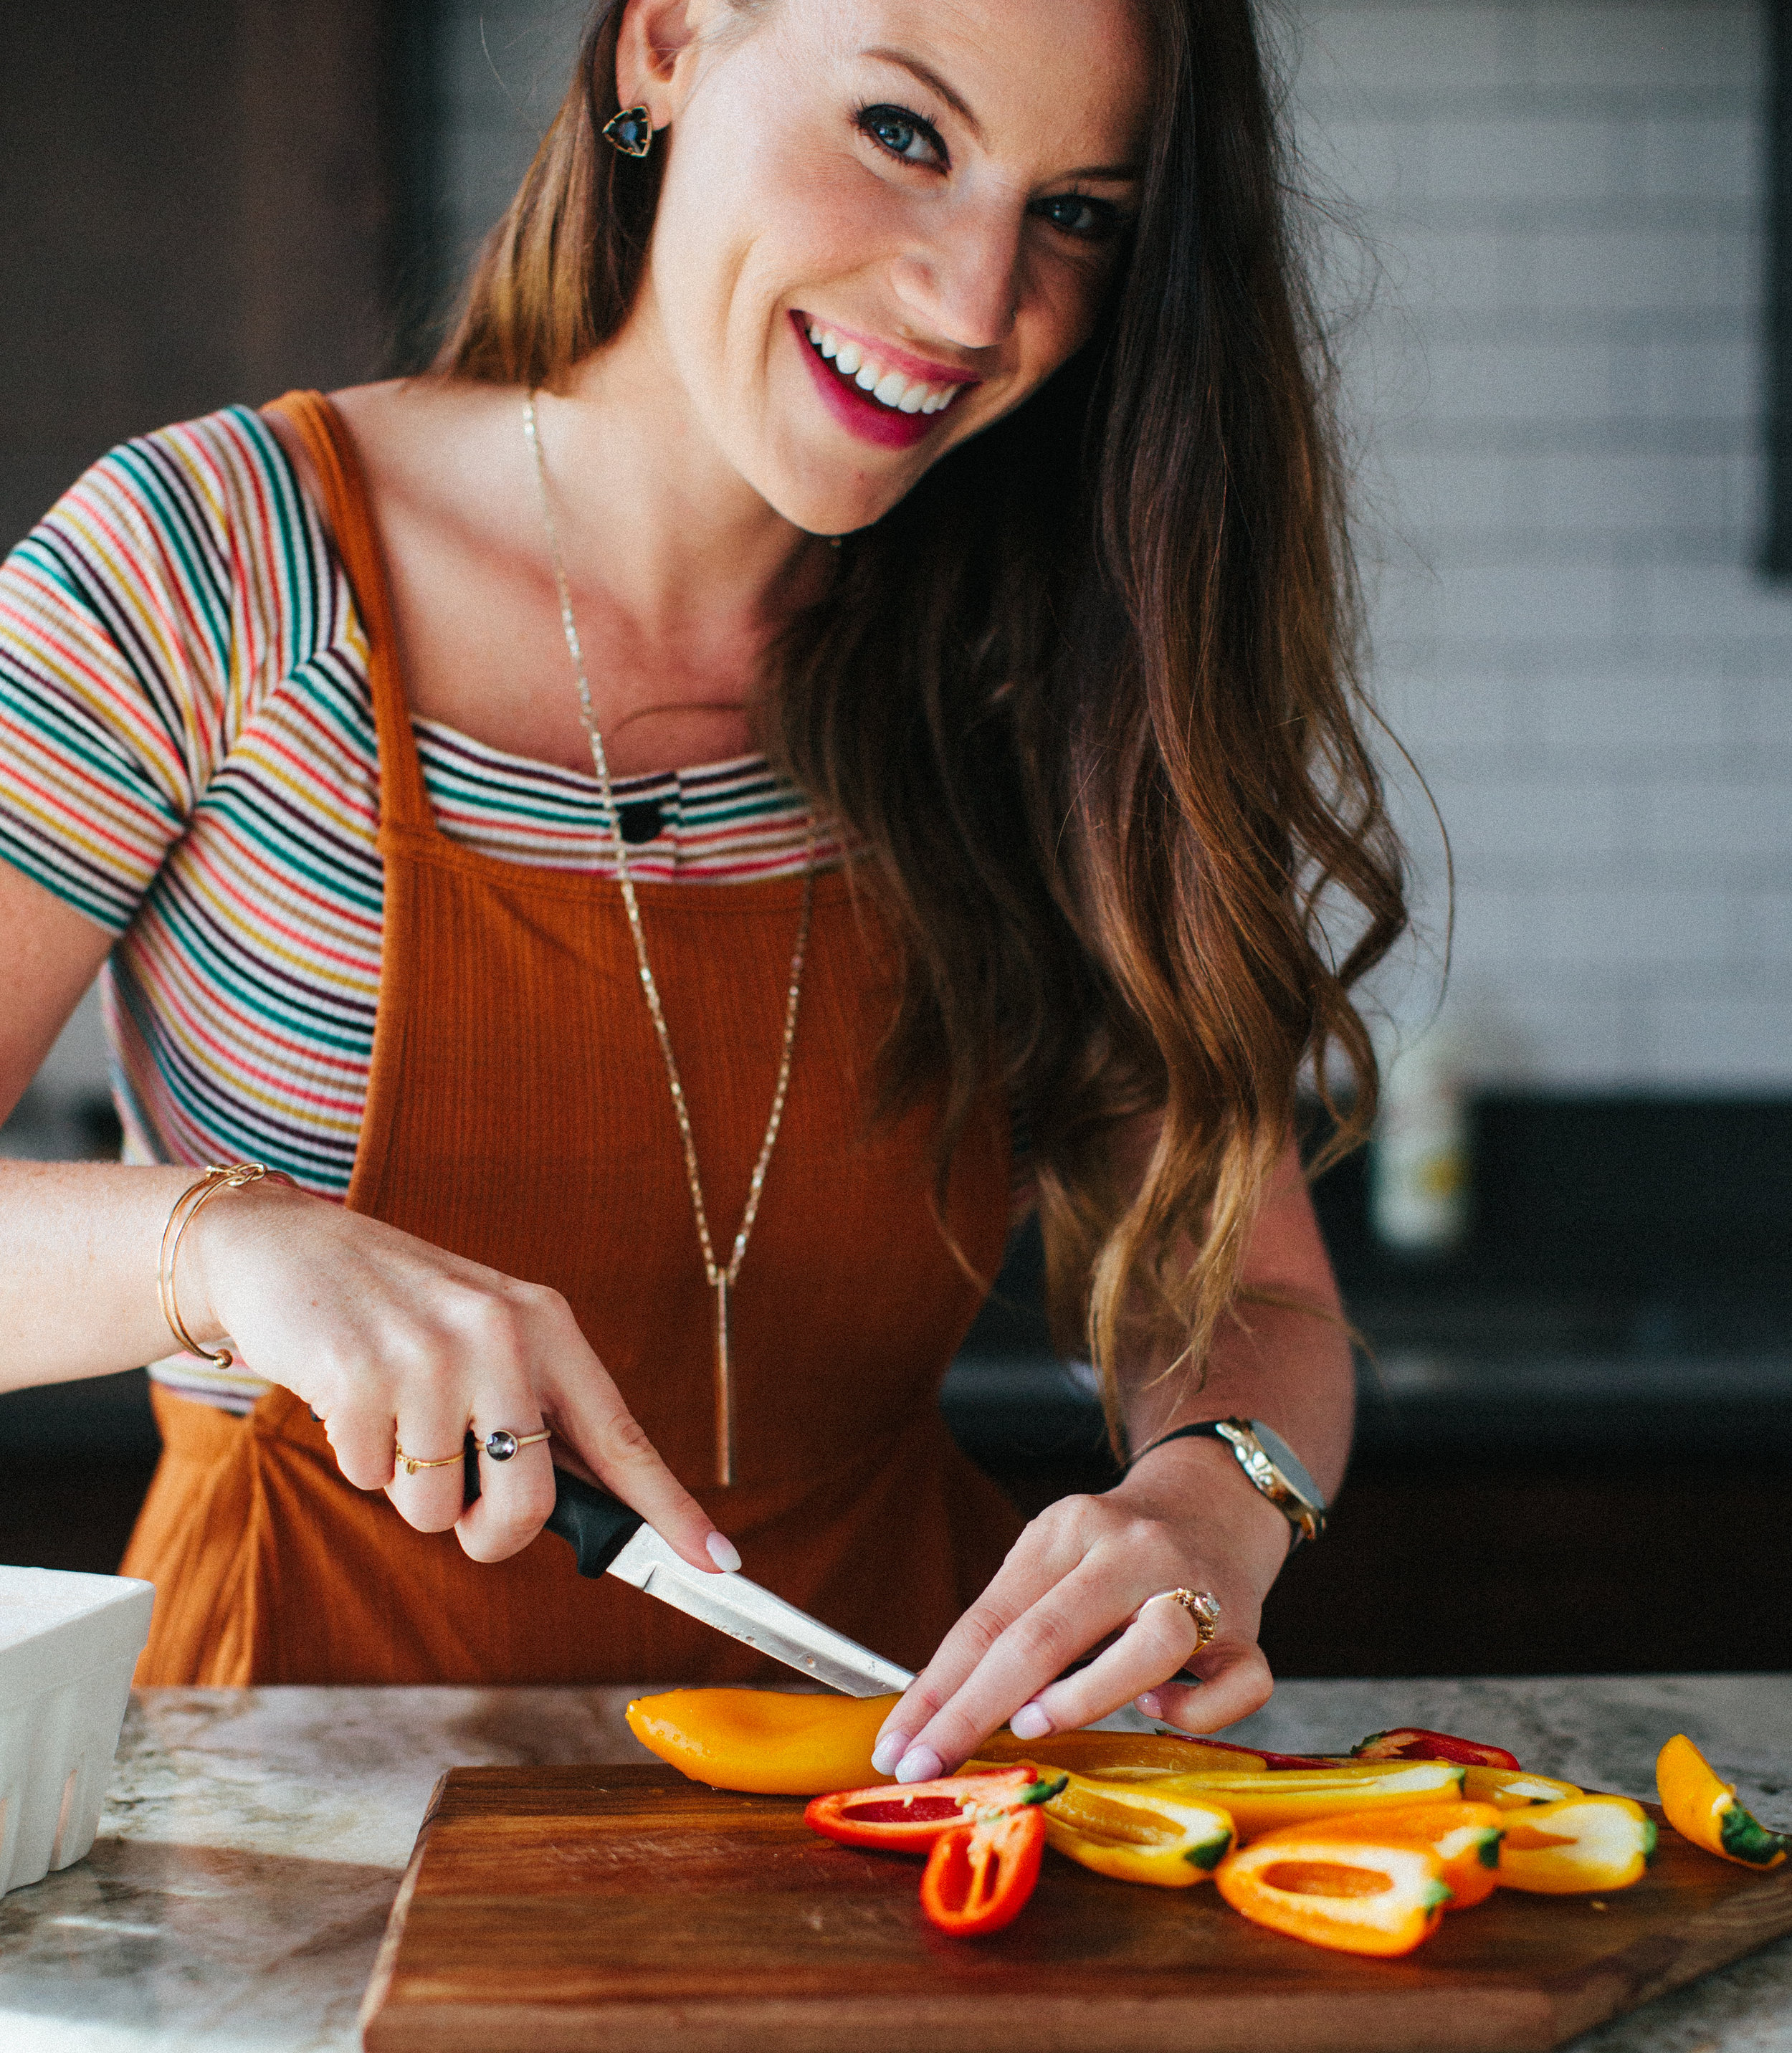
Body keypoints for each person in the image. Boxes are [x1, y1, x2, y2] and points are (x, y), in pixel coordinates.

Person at [0, 0, 1403, 1783]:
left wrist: (1222, 1492)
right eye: (902, 133)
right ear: (664, 41)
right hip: (284, 1781)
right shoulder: (206, 569)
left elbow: (1249, 1295)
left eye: (1078, 214)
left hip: (894, 1797)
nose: (975, 305)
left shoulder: (1046, 663)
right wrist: (215, 1249)